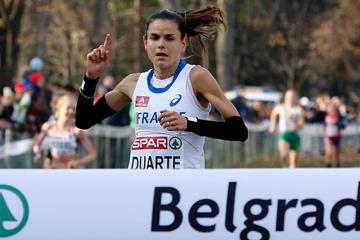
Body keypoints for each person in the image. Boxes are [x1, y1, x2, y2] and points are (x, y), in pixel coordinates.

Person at [76, 7, 248, 169]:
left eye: (169, 38)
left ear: (183, 43)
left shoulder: (195, 77)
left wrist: (189, 124)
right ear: (145, 42)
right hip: (141, 186)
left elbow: (239, 131)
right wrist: (90, 78)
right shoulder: (133, 83)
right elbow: (84, 121)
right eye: (155, 37)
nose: (161, 45)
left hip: (183, 189)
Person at [32, 93, 96, 168]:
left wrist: (78, 162)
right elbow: (36, 145)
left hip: (71, 171)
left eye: (73, 109)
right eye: (68, 108)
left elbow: (92, 154)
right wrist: (37, 153)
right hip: (53, 170)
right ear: (59, 108)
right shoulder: (48, 127)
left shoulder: (76, 131)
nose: (71, 111)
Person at [269, 89, 304, 168]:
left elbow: (301, 125)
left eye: (292, 97)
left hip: (294, 134)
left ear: (296, 98)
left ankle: (292, 175)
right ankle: (284, 168)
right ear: (285, 97)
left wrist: (293, 120)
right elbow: (273, 114)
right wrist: (272, 125)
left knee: (294, 160)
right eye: (288, 96)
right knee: (283, 154)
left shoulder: (299, 110)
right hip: (284, 134)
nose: (290, 99)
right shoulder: (280, 107)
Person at [323, 97, 347, 167]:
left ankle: (337, 166)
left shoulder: (340, 116)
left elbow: (344, 124)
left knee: (337, 153)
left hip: (337, 136)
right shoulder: (326, 115)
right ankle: (328, 166)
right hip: (328, 136)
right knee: (329, 152)